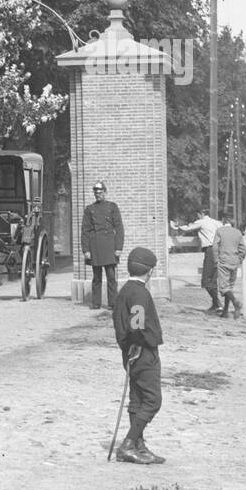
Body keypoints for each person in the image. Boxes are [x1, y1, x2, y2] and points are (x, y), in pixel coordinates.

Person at [112, 247, 165, 464]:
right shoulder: (140, 293)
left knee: (137, 400)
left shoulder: (125, 289)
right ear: (149, 271)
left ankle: (139, 445)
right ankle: (129, 443)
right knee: (153, 400)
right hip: (142, 351)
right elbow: (137, 325)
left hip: (130, 352)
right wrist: (138, 345)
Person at [81, 181, 124, 311]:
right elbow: (85, 231)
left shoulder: (112, 207)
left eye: (100, 192)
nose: (98, 195)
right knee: (96, 277)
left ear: (105, 192)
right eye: (96, 193)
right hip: (95, 247)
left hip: (110, 246)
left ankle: (113, 303)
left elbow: (119, 228)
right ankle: (96, 303)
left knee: (111, 276)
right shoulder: (89, 209)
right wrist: (86, 250)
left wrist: (118, 248)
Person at [176, 210, 223, 313]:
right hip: (219, 250)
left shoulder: (201, 222)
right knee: (213, 279)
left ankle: (217, 303)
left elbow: (188, 228)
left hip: (210, 250)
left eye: (197, 214)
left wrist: (177, 227)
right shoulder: (217, 222)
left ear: (201, 214)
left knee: (205, 280)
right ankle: (216, 305)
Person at [212, 214, 246, 320]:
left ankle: (235, 302)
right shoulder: (238, 232)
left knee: (223, 287)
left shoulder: (219, 231)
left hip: (223, 261)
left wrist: (215, 260)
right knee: (230, 286)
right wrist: (239, 259)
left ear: (223, 221)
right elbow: (243, 249)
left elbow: (215, 246)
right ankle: (225, 311)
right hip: (234, 262)